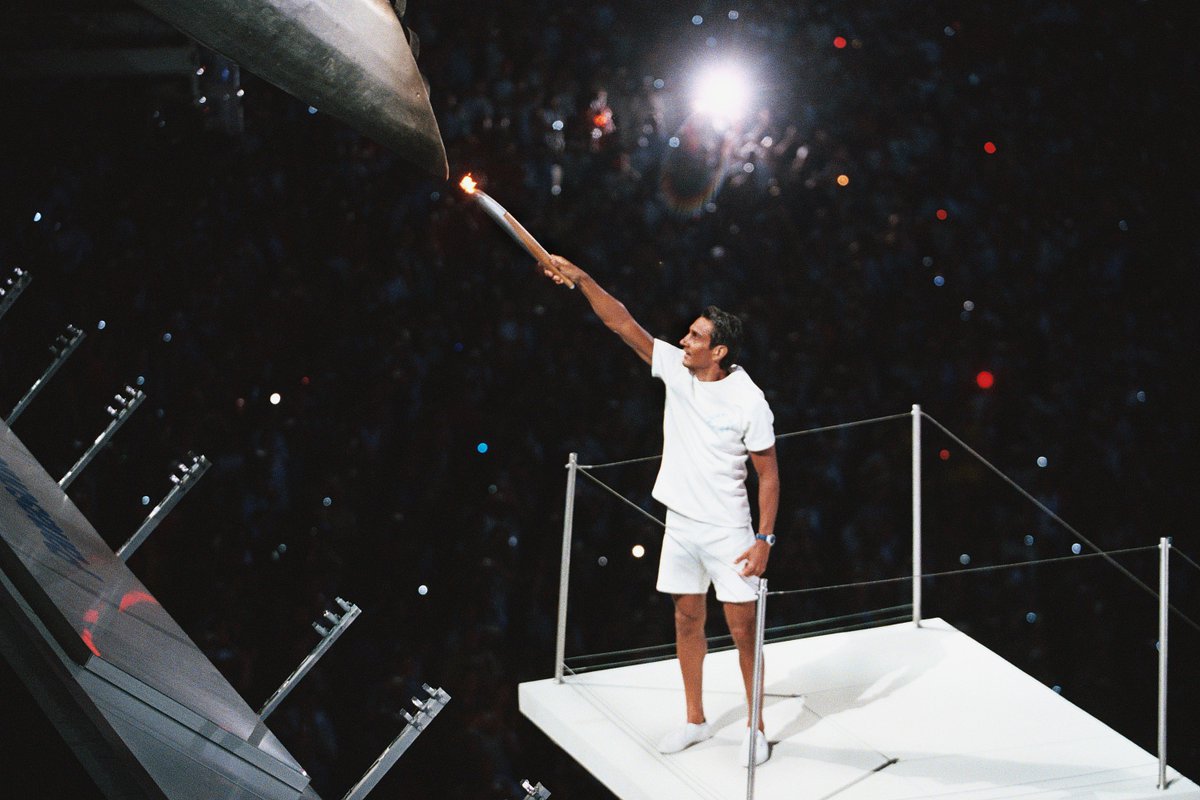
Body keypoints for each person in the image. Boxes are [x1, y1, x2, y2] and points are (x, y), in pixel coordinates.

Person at [543, 254, 780, 767]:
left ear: (718, 351)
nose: (684, 340)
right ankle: (695, 720)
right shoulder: (677, 369)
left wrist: (763, 541)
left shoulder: (749, 401)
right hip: (679, 523)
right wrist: (582, 277)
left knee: (743, 630)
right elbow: (621, 322)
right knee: (686, 617)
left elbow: (769, 475)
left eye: (696, 336)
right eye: (688, 333)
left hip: (729, 532)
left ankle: (755, 726)